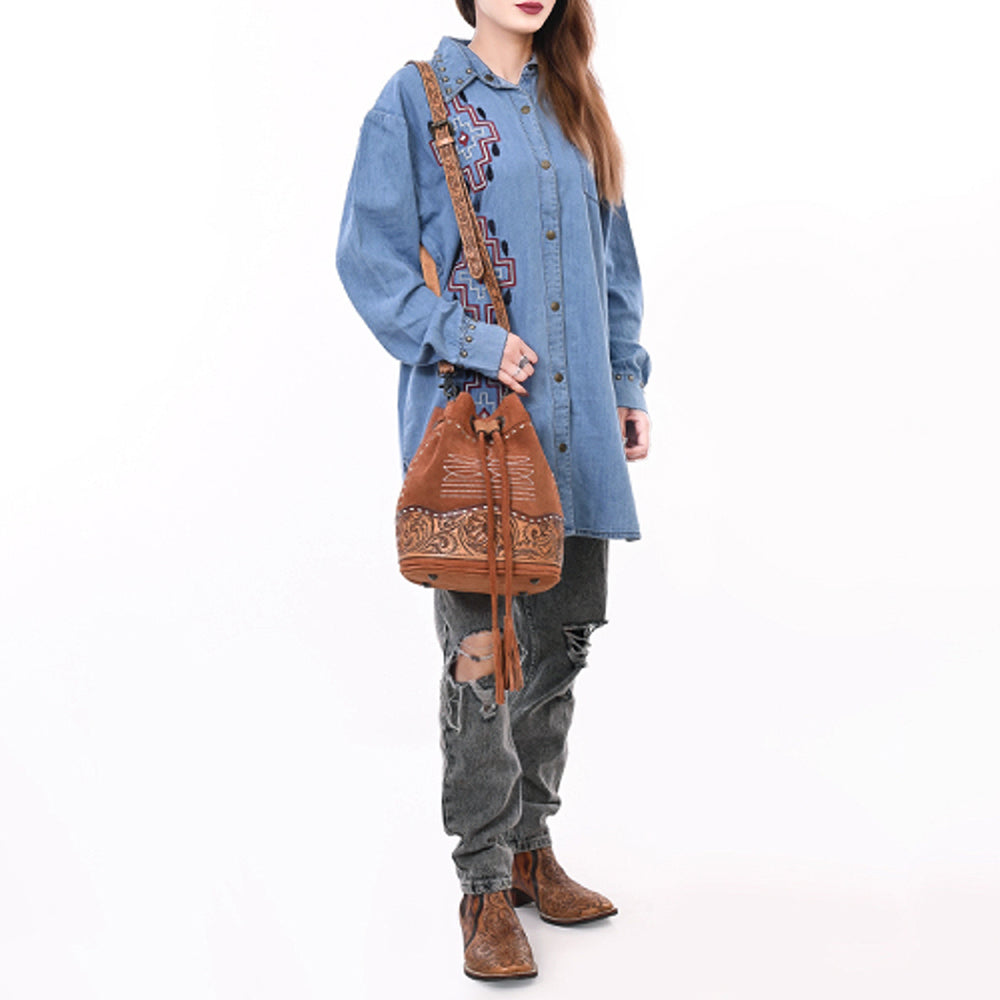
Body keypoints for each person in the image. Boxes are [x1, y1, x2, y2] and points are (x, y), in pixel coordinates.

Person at [336, 0, 651, 981]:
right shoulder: (416, 99)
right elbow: (370, 260)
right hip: (479, 434)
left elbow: (615, 264)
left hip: (577, 432)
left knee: (559, 647)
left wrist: (627, 382)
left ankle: (528, 848)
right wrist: (469, 339)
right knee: (483, 662)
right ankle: (480, 884)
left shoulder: (575, 101)